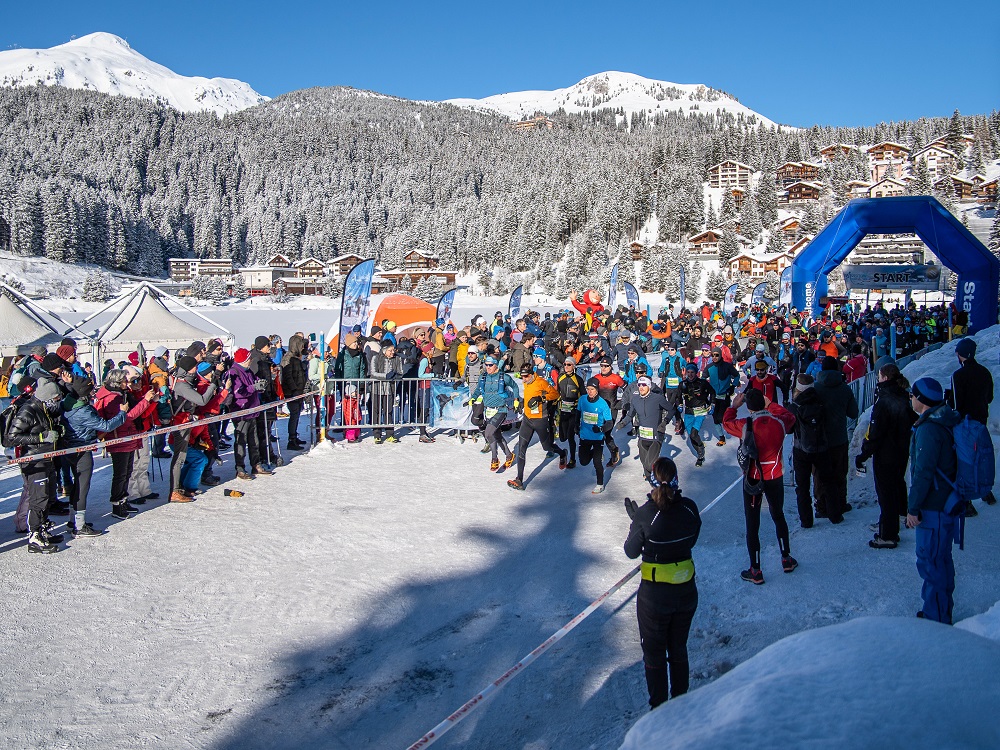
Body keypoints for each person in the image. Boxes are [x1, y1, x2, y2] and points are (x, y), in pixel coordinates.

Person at [623, 456, 701, 709]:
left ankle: (659, 709)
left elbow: (631, 551)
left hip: (655, 598)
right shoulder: (689, 508)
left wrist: (636, 521)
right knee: (678, 648)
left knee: (655, 655)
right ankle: (681, 702)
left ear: (651, 479)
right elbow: (691, 539)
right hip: (686, 592)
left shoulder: (647, 514)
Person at [724, 389, 797, 584]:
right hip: (775, 474)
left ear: (748, 407)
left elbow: (726, 424)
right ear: (764, 404)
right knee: (778, 515)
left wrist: (733, 407)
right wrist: (771, 404)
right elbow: (790, 416)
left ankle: (755, 569)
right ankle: (786, 558)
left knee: (752, 523)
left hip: (753, 477)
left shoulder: (746, 425)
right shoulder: (780, 422)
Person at [905, 377, 961, 624]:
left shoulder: (929, 429)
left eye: (913, 394)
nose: (910, 398)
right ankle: (940, 609)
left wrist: (913, 507)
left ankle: (936, 619)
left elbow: (923, 472)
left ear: (922, 400)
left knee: (931, 561)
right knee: (941, 559)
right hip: (946, 501)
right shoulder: (944, 418)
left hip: (933, 505)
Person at [856, 363, 917, 548]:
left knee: (886, 493)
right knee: (898, 483)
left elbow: (875, 433)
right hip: (901, 449)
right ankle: (899, 516)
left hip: (886, 453)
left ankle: (887, 534)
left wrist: (864, 453)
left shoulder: (884, 401)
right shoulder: (904, 395)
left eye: (879, 376)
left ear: (884, 378)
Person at [5, 379, 66, 553]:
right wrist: (41, 438)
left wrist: (56, 429)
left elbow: (41, 427)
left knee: (46, 497)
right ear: (47, 397)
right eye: (55, 398)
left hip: (46, 458)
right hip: (33, 461)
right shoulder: (28, 410)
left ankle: (42, 529)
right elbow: (12, 437)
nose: (57, 401)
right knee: (38, 499)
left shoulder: (44, 409)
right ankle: (34, 537)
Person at [94, 369, 158, 519]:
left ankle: (123, 500)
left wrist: (148, 401)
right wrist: (145, 400)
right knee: (120, 474)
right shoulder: (112, 398)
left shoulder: (120, 395)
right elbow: (128, 417)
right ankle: (117, 505)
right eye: (124, 380)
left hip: (128, 437)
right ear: (117, 382)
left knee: (127, 472)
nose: (127, 383)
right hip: (120, 439)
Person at [945, 337, 995, 509]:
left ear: (961, 355)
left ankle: (966, 501)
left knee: (965, 459)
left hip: (965, 424)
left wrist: (948, 400)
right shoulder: (985, 372)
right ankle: (986, 490)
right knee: (982, 456)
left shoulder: (958, 375)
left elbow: (957, 405)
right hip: (981, 421)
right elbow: (989, 398)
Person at [812, 357, 859, 524]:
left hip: (820, 438)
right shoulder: (845, 389)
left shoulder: (816, 388)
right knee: (840, 471)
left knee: (819, 474)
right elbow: (853, 413)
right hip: (839, 437)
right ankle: (840, 503)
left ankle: (821, 506)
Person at [507, 363, 566, 491]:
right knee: (521, 447)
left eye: (526, 376)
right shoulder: (525, 380)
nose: (524, 379)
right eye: (522, 377)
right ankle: (519, 480)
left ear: (532, 374)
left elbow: (555, 395)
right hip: (527, 419)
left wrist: (541, 398)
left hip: (540, 419)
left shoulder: (541, 382)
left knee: (547, 447)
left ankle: (562, 453)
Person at [786, 374, 827, 529]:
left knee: (802, 487)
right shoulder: (820, 400)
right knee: (827, 481)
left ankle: (806, 520)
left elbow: (789, 429)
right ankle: (835, 513)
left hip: (801, 448)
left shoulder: (795, 405)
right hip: (821, 446)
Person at [470, 355, 517, 470]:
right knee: (496, 435)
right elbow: (477, 390)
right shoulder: (483, 376)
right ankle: (509, 455)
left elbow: (515, 386)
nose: (488, 367)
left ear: (496, 365)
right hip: (488, 410)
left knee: (488, 433)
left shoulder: (503, 377)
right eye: (486, 365)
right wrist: (473, 398)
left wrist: (516, 400)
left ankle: (494, 458)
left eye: (490, 365)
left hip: (500, 410)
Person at [627, 376, 673, 483]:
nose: (641, 387)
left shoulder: (658, 398)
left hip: (656, 436)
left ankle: (661, 472)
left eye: (644, 385)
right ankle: (652, 482)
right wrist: (623, 422)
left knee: (648, 464)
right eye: (639, 385)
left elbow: (671, 410)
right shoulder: (635, 399)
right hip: (643, 436)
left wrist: (664, 422)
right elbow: (631, 414)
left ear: (649, 386)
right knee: (645, 464)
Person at [228, 348, 265, 479]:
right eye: (248, 359)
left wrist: (260, 384)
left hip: (252, 410)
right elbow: (239, 392)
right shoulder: (234, 372)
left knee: (254, 441)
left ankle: (256, 465)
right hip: (241, 411)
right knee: (241, 442)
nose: (250, 361)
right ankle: (240, 468)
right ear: (244, 360)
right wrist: (254, 387)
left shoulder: (248, 371)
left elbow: (254, 382)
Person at [577, 377, 613, 493]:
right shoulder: (582, 400)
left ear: (597, 390)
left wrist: (601, 428)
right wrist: (575, 426)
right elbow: (578, 414)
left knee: (597, 462)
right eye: (588, 389)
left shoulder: (602, 404)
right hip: (584, 436)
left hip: (598, 438)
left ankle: (600, 484)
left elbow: (610, 423)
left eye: (592, 389)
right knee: (583, 461)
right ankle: (595, 454)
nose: (589, 392)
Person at [677, 363, 715, 467]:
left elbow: (712, 392)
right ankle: (699, 449)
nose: (690, 375)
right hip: (689, 412)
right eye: (688, 372)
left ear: (696, 373)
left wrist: (712, 404)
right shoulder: (683, 384)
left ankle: (700, 454)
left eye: (692, 372)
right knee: (691, 436)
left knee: (694, 433)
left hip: (700, 411)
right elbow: (678, 396)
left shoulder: (702, 383)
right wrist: (679, 404)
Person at [369, 338, 404, 444]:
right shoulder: (376, 358)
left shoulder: (397, 359)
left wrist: (395, 376)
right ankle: (377, 434)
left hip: (390, 390)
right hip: (377, 389)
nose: (393, 352)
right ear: (384, 350)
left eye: (393, 350)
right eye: (390, 350)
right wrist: (385, 376)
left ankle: (390, 434)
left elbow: (400, 372)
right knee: (377, 412)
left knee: (388, 411)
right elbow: (373, 373)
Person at [705, 347, 739, 447]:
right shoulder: (709, 367)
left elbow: (736, 375)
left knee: (723, 417)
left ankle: (732, 428)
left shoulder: (727, 366)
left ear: (720, 355)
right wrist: (705, 389)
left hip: (725, 395)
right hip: (714, 396)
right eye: (713, 355)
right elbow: (703, 378)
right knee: (715, 418)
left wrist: (733, 385)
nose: (715, 357)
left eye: (717, 355)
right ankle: (721, 437)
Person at [556, 356, 585, 467]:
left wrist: (581, 409)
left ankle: (573, 460)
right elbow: (557, 393)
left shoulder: (578, 379)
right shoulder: (560, 378)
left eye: (569, 365)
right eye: (565, 364)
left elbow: (583, 396)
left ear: (574, 366)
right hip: (563, 411)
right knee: (563, 438)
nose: (566, 367)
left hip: (573, 412)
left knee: (570, 436)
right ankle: (566, 452)